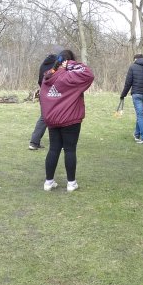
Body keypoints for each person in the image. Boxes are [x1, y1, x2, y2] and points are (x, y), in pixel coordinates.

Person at [40, 50, 94, 192]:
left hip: (52, 119)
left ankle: (48, 182)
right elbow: (89, 74)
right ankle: (71, 183)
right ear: (69, 61)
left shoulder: (48, 76)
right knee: (70, 149)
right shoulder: (70, 76)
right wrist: (70, 64)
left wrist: (61, 65)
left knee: (53, 149)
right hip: (70, 119)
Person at [29, 53, 58, 150]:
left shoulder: (43, 65)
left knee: (44, 117)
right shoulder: (55, 67)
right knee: (57, 116)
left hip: (43, 93)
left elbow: (40, 81)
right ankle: (60, 142)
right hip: (53, 94)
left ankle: (34, 142)